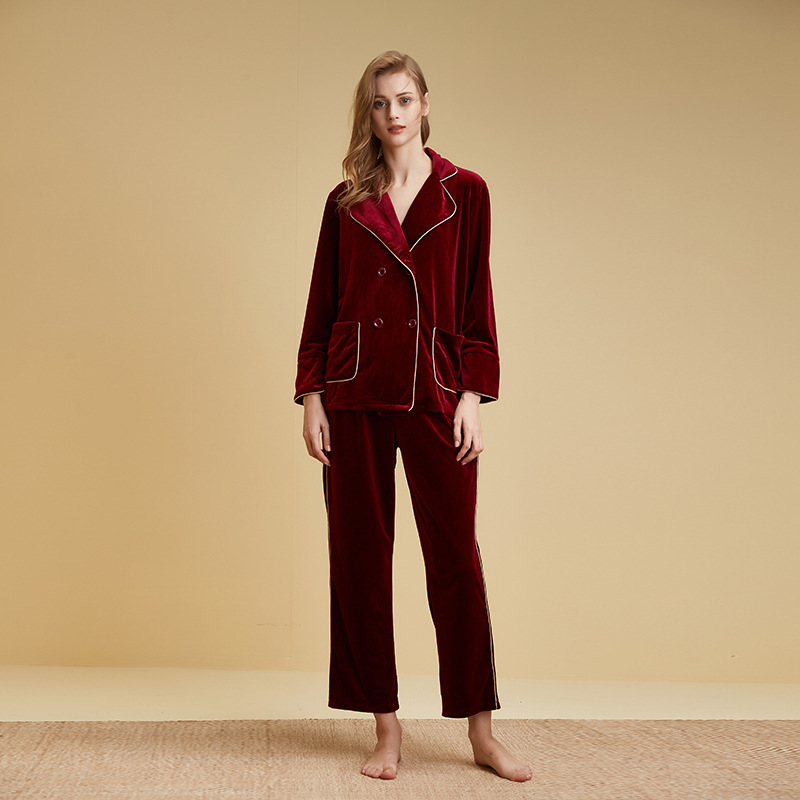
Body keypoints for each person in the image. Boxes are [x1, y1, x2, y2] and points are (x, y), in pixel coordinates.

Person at [294, 51, 531, 783]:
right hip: (354, 392)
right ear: (367, 114)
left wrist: (472, 396)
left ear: (425, 104)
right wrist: (312, 396)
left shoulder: (467, 193)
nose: (392, 114)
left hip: (436, 391)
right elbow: (322, 301)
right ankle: (386, 728)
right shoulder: (346, 201)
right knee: (360, 562)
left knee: (455, 559)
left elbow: (476, 300)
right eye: (379, 103)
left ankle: (481, 732)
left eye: (403, 99)